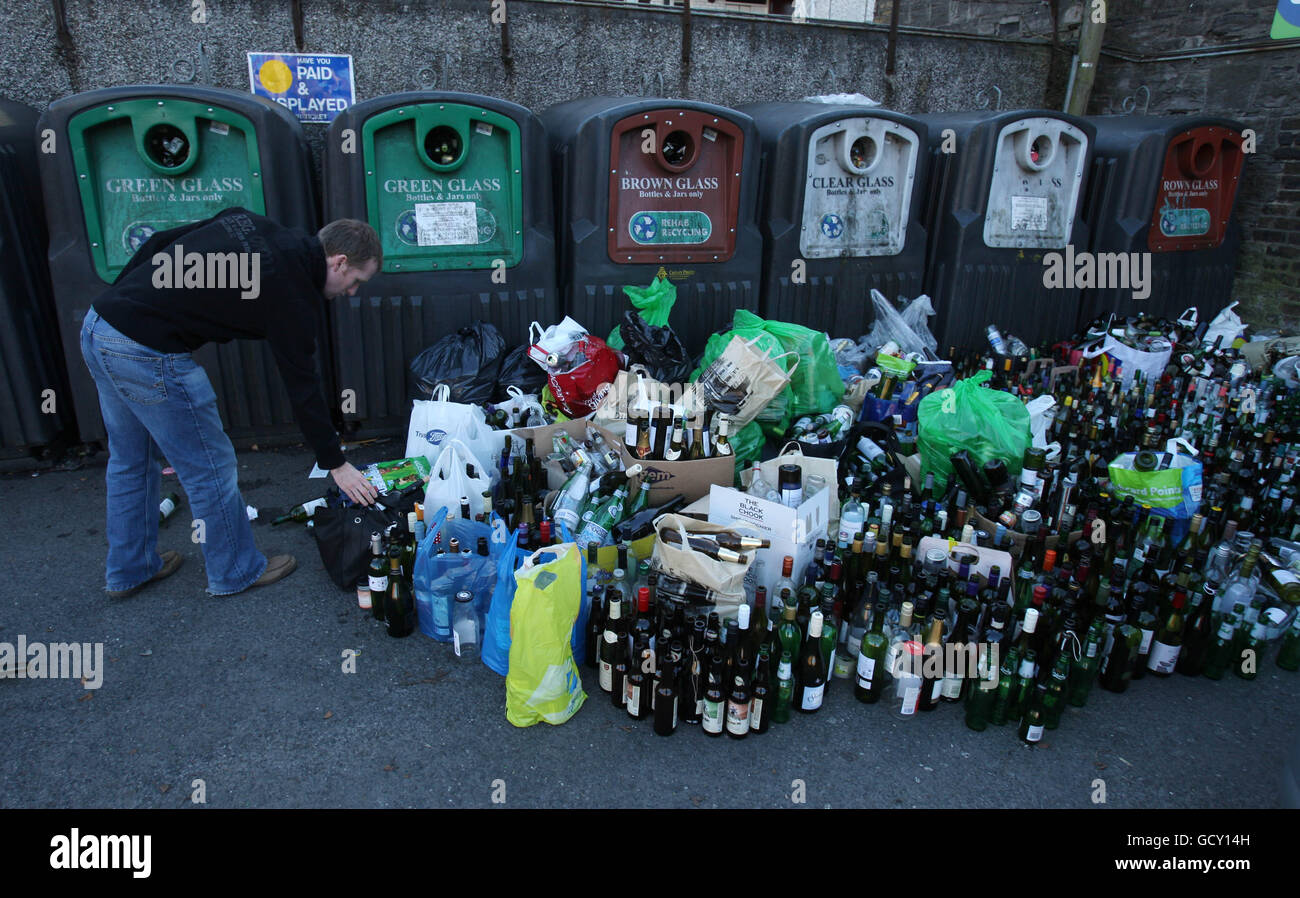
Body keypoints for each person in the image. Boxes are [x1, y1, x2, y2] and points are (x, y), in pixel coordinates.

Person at [80, 207, 383, 598]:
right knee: (210, 467)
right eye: (357, 280)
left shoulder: (250, 221)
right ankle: (235, 570)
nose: (353, 292)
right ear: (339, 261)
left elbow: (158, 242)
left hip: (101, 325)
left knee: (130, 459)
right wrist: (336, 464)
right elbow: (303, 388)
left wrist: (122, 300)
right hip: (146, 354)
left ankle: (131, 568)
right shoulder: (290, 292)